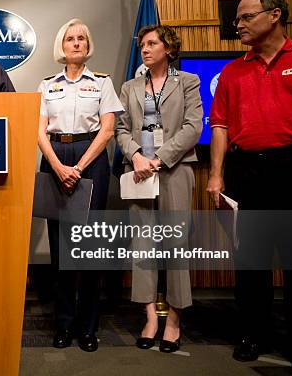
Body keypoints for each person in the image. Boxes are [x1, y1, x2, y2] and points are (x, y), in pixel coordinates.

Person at [206, 0, 292, 371]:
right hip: (246, 171)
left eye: (246, 17)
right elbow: (219, 125)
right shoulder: (233, 71)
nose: (239, 25)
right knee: (251, 261)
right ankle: (253, 334)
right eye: (237, 20)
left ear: (275, 15)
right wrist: (216, 175)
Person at [115, 25, 203, 353]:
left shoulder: (188, 82)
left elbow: (193, 127)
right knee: (143, 245)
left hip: (176, 169)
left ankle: (175, 320)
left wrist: (160, 159)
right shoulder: (129, 87)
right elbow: (120, 128)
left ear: (168, 47)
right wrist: (137, 155)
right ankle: (150, 316)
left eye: (152, 43)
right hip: (138, 171)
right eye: (142, 45)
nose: (145, 49)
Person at [37, 18, 123, 352]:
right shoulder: (47, 85)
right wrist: (58, 167)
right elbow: (38, 130)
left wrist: (79, 166)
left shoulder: (102, 82)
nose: (76, 43)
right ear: (62, 45)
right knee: (61, 249)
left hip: (91, 158)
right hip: (55, 156)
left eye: (82, 39)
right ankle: (64, 324)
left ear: (88, 46)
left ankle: (88, 328)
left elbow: (107, 130)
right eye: (70, 38)